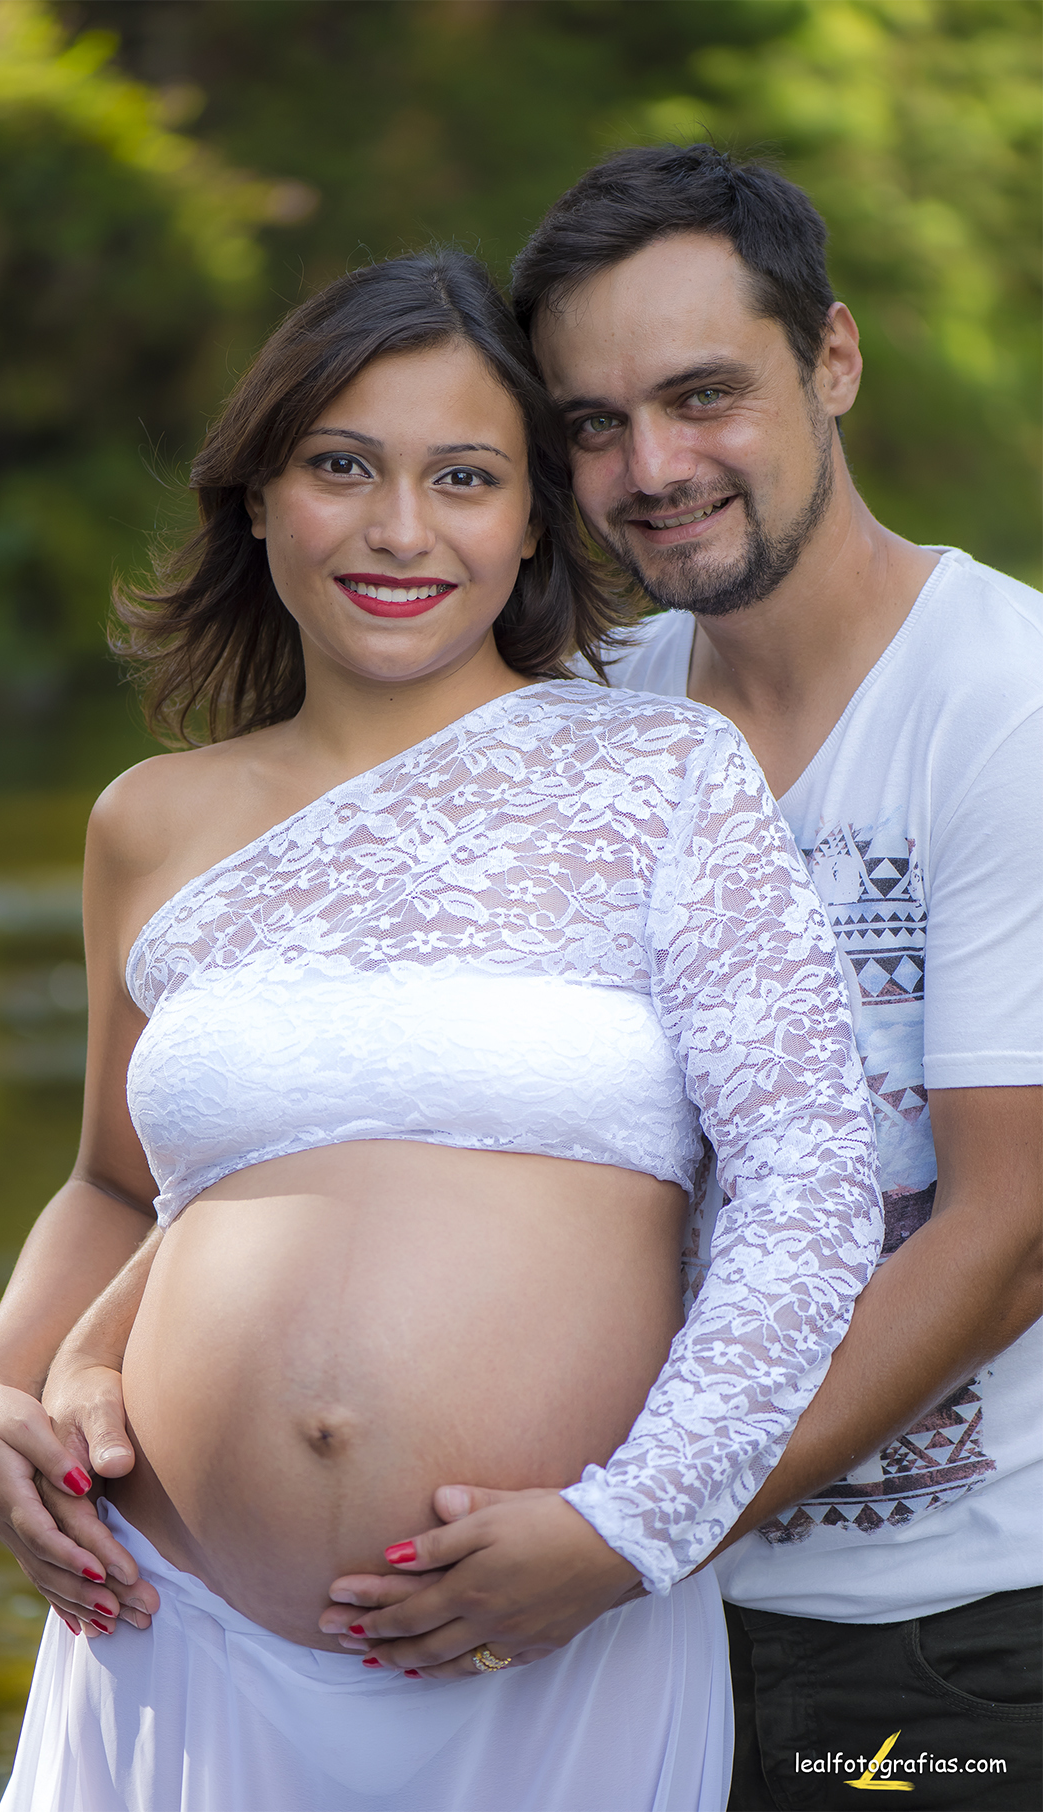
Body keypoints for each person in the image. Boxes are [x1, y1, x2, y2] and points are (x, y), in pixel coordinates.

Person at [0, 248, 883, 1812]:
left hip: (552, 1647)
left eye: (465, 476)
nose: (400, 530)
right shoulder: (147, 822)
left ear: (531, 521)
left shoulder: (667, 775)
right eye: (341, 467)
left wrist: (630, 1530)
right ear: (259, 495)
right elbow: (116, 1185)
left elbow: (809, 1189)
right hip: (170, 1643)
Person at [309, 149, 1042, 1810]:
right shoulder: (588, 719)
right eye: (591, 422)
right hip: (603, 1637)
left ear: (834, 360)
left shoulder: (1007, 706)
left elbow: (1011, 1233)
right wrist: (50, 1369)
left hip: (930, 1637)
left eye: (705, 395)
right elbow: (351, 1102)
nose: (653, 468)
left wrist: (635, 1526)